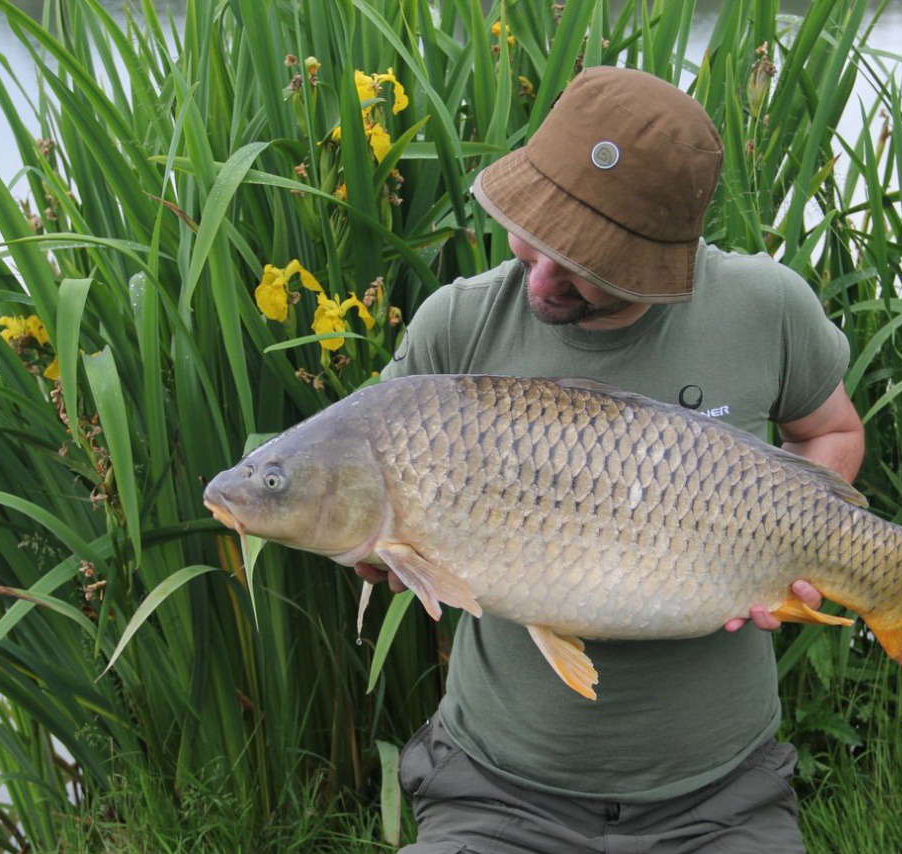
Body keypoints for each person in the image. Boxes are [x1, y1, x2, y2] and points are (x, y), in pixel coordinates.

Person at [363, 65, 865, 853]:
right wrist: (375, 553)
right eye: (535, 234)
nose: (543, 274)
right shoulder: (454, 328)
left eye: (586, 263)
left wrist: (801, 534)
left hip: (723, 792)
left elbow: (832, 432)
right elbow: (366, 473)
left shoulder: (766, 307)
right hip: (496, 788)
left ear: (664, 260)